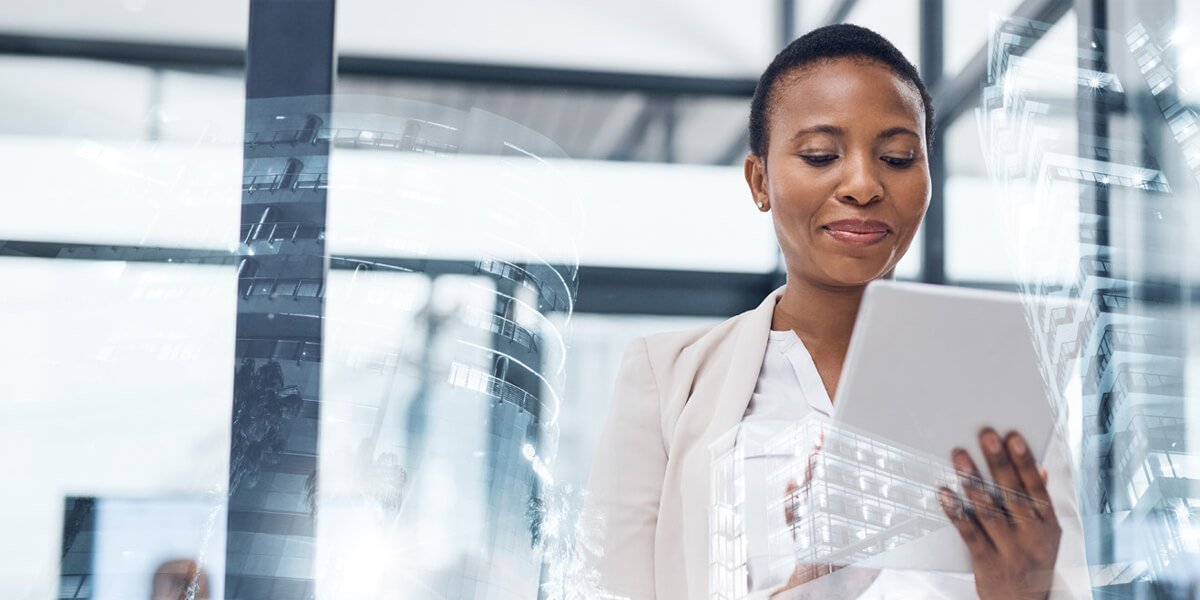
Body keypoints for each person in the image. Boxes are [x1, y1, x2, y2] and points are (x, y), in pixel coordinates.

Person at [582, 24, 1089, 600]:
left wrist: (1026, 593)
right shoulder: (666, 379)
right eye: (821, 155)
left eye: (898, 158)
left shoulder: (1005, 387)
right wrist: (810, 586)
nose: (864, 184)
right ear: (759, 180)